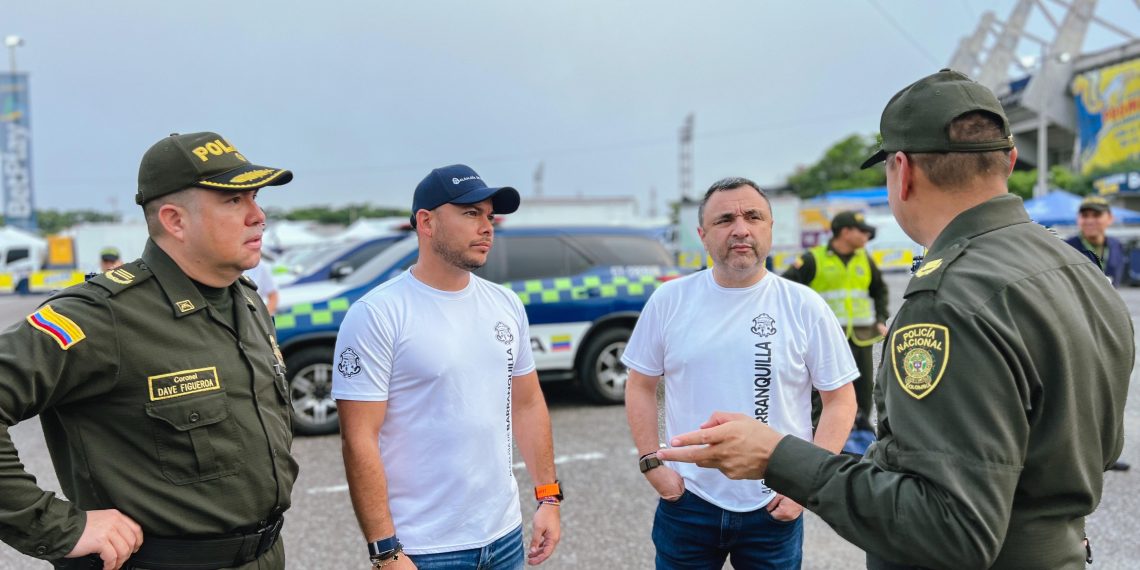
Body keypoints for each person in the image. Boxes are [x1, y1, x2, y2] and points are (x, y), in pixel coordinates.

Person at [657, 69, 1134, 569]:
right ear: (1010, 161)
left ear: (901, 170)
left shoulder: (950, 299)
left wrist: (780, 458)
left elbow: (951, 530)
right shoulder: (1078, 270)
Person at [0, 131, 298, 570]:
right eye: (234, 201)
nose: (258, 216)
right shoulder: (103, 316)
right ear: (175, 221)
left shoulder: (246, 300)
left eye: (254, 197)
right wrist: (57, 527)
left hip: (267, 556)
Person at [334, 164, 561, 569]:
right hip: (423, 547)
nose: (487, 226)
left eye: (489, 215)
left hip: (504, 535)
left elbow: (526, 405)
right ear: (427, 222)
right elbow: (359, 439)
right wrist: (385, 551)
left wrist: (548, 496)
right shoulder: (377, 313)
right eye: (471, 213)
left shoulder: (505, 304)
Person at [623, 177, 857, 569]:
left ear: (769, 227)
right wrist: (652, 463)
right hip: (688, 501)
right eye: (725, 219)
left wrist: (807, 484)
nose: (741, 228)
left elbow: (840, 399)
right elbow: (640, 385)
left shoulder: (804, 305)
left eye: (753, 216)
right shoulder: (670, 300)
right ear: (703, 234)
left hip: (775, 502)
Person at [782, 210, 889, 431]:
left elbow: (879, 290)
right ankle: (821, 437)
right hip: (825, 339)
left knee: (862, 392)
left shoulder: (865, 259)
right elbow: (785, 290)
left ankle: (859, 437)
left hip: (859, 337)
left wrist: (880, 318)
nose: (866, 237)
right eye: (863, 232)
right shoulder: (813, 259)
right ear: (845, 232)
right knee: (825, 393)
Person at [1064, 195, 1130, 472]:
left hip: (1107, 328)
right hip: (1076, 326)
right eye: (1085, 215)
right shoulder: (1067, 247)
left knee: (1111, 392)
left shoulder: (1116, 246)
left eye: (1096, 215)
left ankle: (1106, 452)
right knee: (1078, 394)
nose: (1090, 220)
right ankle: (1077, 456)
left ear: (1109, 219)